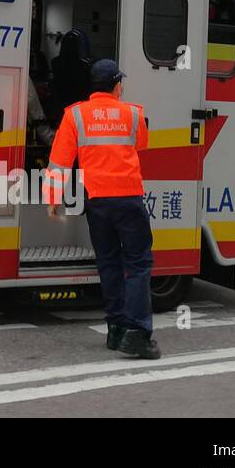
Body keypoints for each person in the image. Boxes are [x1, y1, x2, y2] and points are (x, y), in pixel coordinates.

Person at [43, 59, 159, 360]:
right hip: (129, 199)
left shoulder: (75, 116)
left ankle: (116, 329)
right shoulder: (134, 114)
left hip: (97, 202)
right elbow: (142, 146)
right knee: (137, 265)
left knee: (108, 263)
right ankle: (137, 333)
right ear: (117, 85)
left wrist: (53, 198)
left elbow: (59, 160)